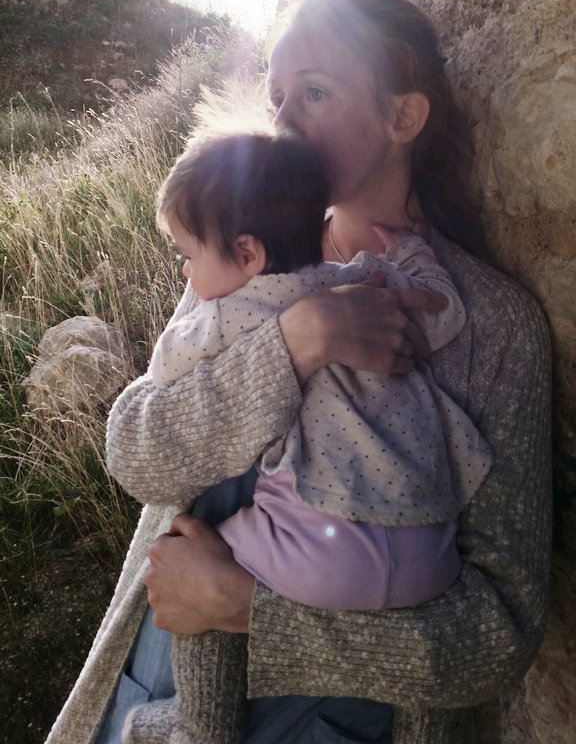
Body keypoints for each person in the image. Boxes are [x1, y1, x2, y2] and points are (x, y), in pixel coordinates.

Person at [45, 0, 551, 744]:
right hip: (160, 670)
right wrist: (294, 344)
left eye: (314, 93)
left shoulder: (492, 326)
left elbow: (496, 634)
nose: (283, 120)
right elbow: (136, 451)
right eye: (277, 95)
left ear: (402, 117)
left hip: (341, 722)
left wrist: (242, 607)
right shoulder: (243, 255)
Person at [107, 129, 491, 744]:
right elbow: (442, 308)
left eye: (186, 254)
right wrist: (414, 257)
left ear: (249, 253)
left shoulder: (222, 314)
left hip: (320, 559)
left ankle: (199, 725)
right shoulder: (369, 281)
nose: (184, 270)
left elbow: (147, 403)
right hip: (431, 558)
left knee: (194, 563)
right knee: (425, 691)